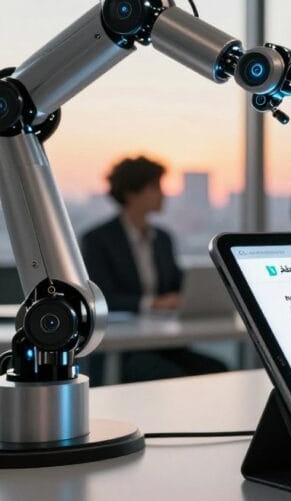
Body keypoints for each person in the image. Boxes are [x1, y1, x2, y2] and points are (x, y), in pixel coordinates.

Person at [81, 156, 226, 382]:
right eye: (155, 187)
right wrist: (151, 303)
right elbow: (101, 298)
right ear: (131, 193)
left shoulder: (163, 239)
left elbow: (176, 283)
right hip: (124, 349)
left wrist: (193, 295)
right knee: (170, 376)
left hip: (163, 341)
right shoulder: (98, 240)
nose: (163, 194)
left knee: (217, 369)